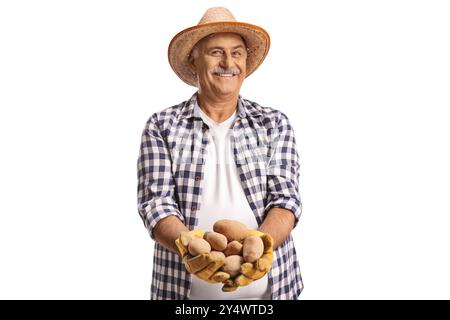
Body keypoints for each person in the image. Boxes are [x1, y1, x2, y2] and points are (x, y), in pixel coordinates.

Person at [137, 7, 303, 300]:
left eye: (237, 53)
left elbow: (285, 199)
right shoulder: (161, 126)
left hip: (271, 294)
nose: (228, 63)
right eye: (216, 52)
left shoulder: (274, 124)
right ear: (194, 58)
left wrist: (261, 244)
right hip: (181, 295)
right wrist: (187, 243)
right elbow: (156, 203)